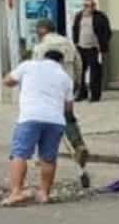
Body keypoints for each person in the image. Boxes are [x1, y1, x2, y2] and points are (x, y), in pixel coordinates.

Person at [2, 50, 74, 206]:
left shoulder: (28, 66)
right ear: (60, 62)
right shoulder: (66, 78)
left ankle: (16, 192)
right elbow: (68, 108)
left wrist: (21, 83)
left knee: (20, 154)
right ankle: (44, 193)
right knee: (48, 158)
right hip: (55, 120)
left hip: (30, 117)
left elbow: (7, 81)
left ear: (43, 58)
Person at [33, 19, 89, 175]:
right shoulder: (69, 43)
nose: (37, 33)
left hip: (47, 90)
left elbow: (36, 69)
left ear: (43, 30)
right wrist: (77, 83)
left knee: (44, 120)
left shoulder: (41, 47)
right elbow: (79, 64)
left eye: (38, 30)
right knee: (68, 116)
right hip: (66, 86)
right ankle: (78, 145)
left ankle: (43, 155)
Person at [72, 0, 112, 102]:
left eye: (89, 6)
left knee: (95, 72)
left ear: (94, 6)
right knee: (80, 71)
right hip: (81, 47)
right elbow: (75, 29)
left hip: (94, 48)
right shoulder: (79, 16)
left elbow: (107, 31)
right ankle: (82, 93)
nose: (86, 8)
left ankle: (95, 95)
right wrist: (75, 42)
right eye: (84, 5)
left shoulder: (100, 16)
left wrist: (102, 44)